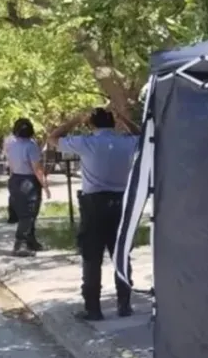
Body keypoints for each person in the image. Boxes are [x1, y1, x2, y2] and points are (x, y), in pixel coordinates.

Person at [47, 107, 140, 321]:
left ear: (91, 124)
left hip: (93, 205)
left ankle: (93, 308)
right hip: (120, 203)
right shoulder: (126, 143)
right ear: (113, 123)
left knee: (91, 257)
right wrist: (124, 118)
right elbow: (143, 137)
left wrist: (75, 119)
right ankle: (124, 304)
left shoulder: (85, 142)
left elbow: (53, 138)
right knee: (121, 254)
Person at [4, 119, 50, 256]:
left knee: (26, 212)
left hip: (15, 179)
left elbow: (11, 164)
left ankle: (31, 241)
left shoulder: (11, 145)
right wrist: (45, 186)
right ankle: (20, 244)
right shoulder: (31, 146)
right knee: (28, 214)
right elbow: (37, 168)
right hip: (28, 181)